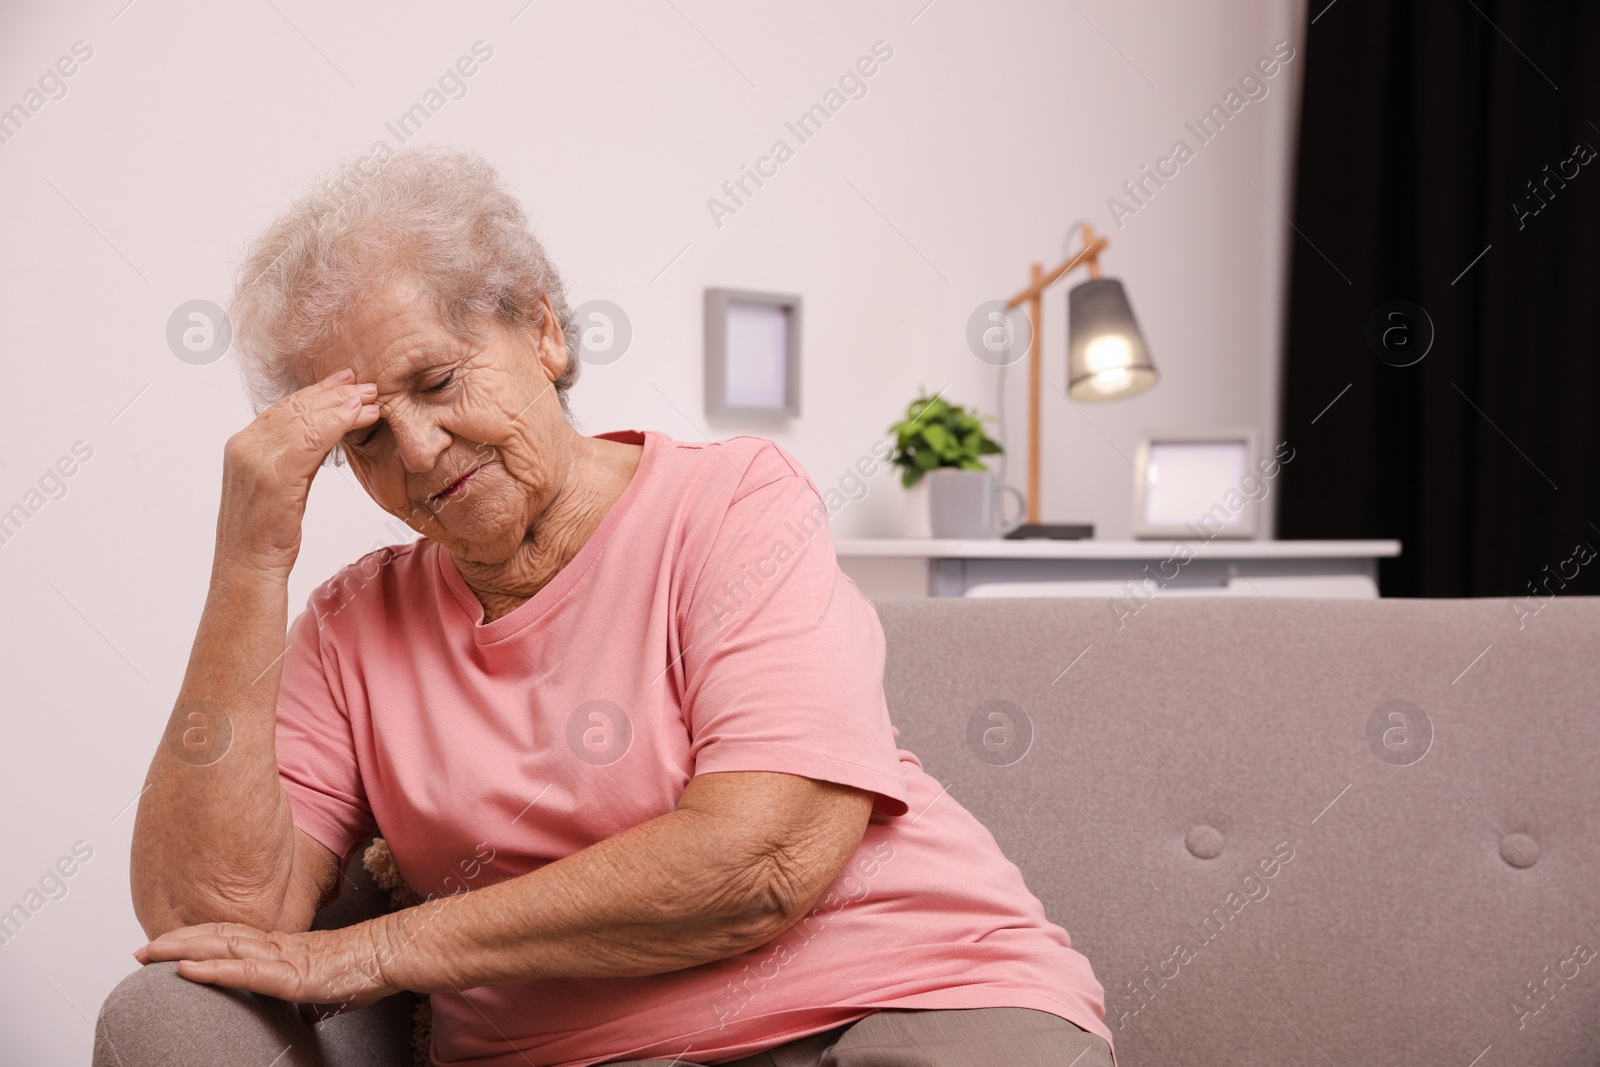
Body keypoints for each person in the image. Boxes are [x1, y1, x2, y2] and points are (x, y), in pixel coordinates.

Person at [100, 147, 1115, 1067]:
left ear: (541, 329)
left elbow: (760, 858)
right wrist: (248, 560)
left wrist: (380, 951)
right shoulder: (350, 627)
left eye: (438, 378)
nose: (415, 450)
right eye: (364, 436)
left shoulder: (731, 502)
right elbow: (213, 921)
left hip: (911, 996)